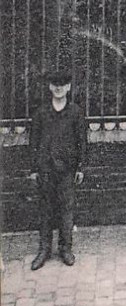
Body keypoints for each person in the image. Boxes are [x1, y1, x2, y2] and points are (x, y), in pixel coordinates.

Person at [29, 69, 87, 270]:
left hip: (67, 169)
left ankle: (65, 249)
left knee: (66, 210)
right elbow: (34, 142)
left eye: (62, 84)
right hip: (45, 169)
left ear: (69, 87)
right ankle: (44, 250)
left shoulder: (75, 113)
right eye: (55, 84)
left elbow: (82, 142)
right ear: (50, 87)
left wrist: (81, 167)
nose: (59, 88)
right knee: (45, 211)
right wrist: (33, 169)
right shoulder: (41, 113)